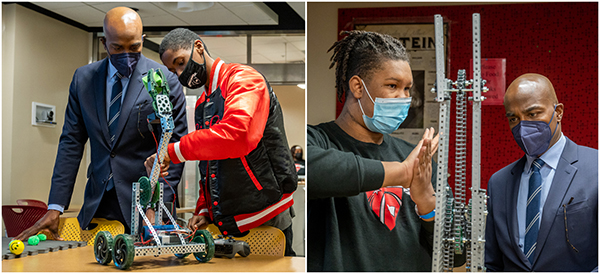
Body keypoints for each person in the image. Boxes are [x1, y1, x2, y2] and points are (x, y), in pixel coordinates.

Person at [15, 7, 188, 240]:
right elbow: (71, 142)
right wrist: (55, 206)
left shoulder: (164, 80)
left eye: (134, 47)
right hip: (98, 205)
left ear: (143, 40)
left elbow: (174, 148)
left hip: (146, 203)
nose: (127, 54)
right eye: (117, 47)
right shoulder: (83, 79)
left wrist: (156, 205)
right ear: (104, 42)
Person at [307, 30, 458, 271]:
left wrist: (427, 204)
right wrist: (401, 173)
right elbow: (311, 170)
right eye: (392, 86)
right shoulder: (317, 141)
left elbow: (455, 256)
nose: (404, 98)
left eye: (408, 88)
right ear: (358, 86)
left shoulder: (418, 161)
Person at [148, 28, 297, 256]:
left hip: (266, 216)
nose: (179, 74)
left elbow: (237, 135)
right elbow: (208, 165)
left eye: (180, 62)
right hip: (228, 223)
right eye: (172, 70)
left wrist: (174, 151)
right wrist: (205, 208)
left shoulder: (244, 79)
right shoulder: (202, 104)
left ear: (198, 47)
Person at [485, 73, 598, 271]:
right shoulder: (499, 183)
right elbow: (493, 263)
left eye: (533, 114)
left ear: (559, 111)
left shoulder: (595, 168)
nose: (523, 126)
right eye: (513, 119)